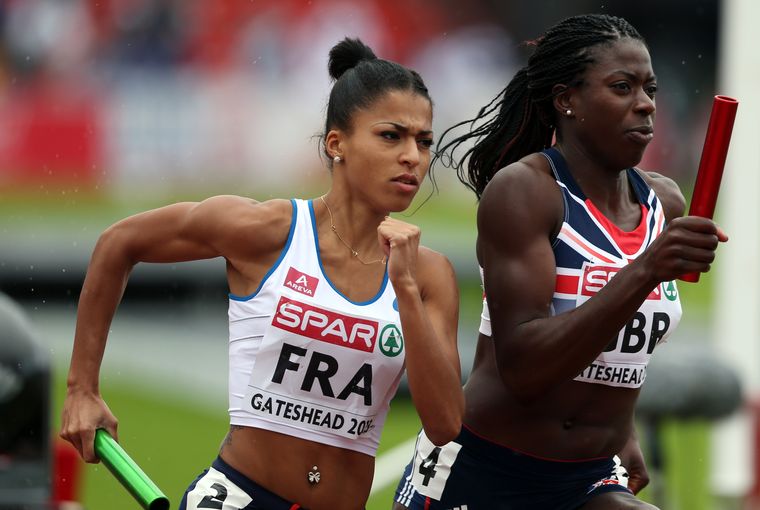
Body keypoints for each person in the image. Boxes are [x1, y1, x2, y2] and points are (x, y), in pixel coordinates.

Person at [59, 37, 464, 510]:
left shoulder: (429, 274)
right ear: (338, 144)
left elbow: (445, 424)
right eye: (391, 136)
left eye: (424, 141)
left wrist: (407, 291)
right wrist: (81, 389)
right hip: (238, 498)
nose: (413, 157)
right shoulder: (266, 230)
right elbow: (118, 244)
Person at [393, 14, 727, 510]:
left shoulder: (665, 204)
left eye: (650, 89)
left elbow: (618, 352)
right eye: (622, 87)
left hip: (587, 478)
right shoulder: (526, 193)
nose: (645, 105)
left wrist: (622, 426)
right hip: (488, 473)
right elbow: (525, 368)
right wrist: (644, 271)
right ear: (566, 100)